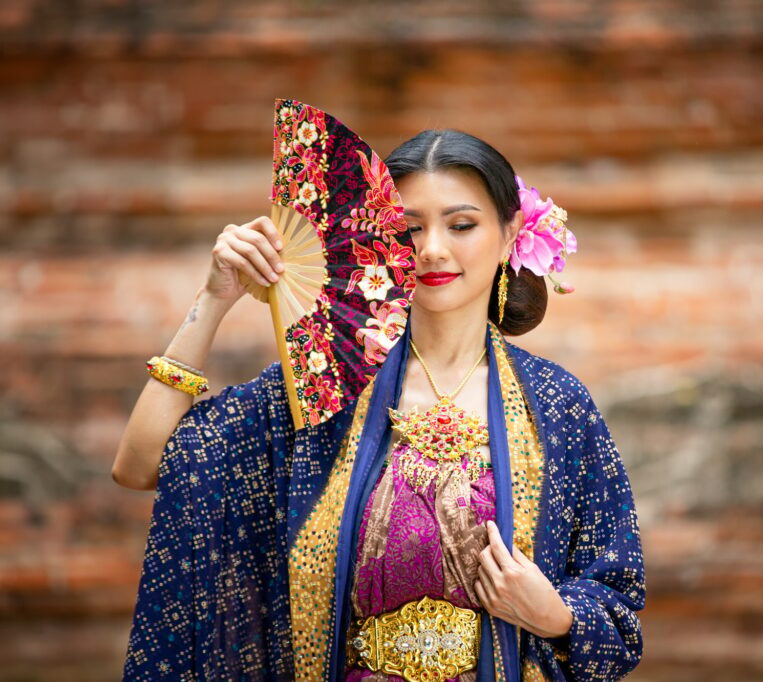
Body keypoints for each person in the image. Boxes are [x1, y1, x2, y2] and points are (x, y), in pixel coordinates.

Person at [113, 124, 645, 681]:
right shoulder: (323, 391)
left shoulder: (557, 406)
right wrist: (214, 298)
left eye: (462, 224)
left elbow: (620, 614)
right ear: (377, 240)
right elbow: (139, 464)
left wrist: (555, 615)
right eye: (409, 229)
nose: (433, 249)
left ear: (511, 233)